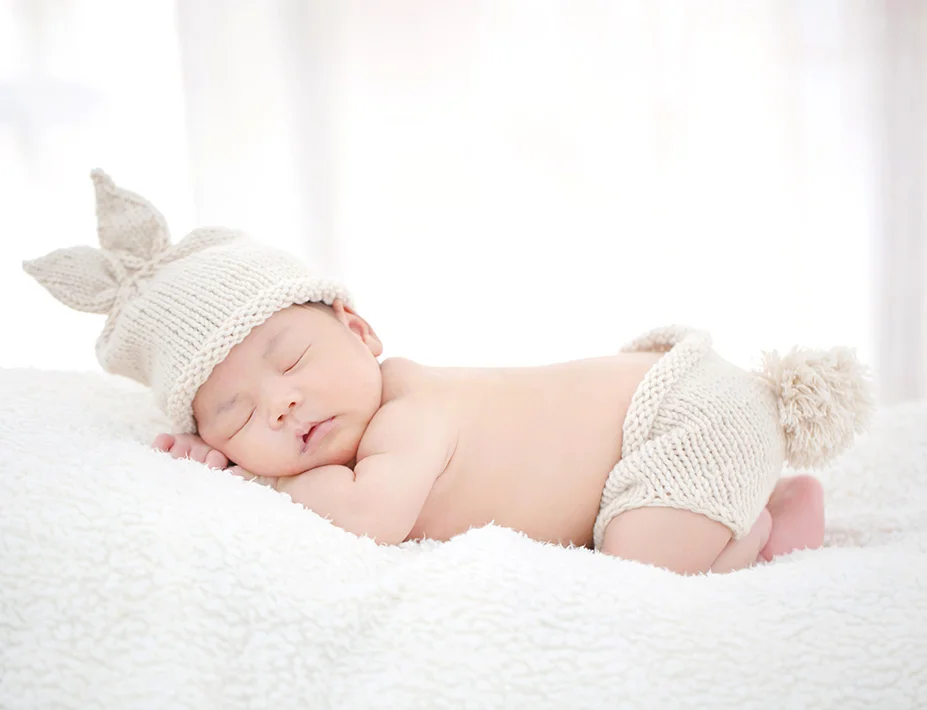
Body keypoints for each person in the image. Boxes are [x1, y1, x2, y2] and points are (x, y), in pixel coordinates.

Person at [24, 170, 874, 575]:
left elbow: (368, 518)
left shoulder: (408, 412)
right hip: (660, 420)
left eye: (291, 359)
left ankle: (762, 530)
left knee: (645, 566)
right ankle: (761, 495)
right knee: (639, 536)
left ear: (358, 330)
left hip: (680, 413)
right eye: (235, 415)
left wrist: (245, 479)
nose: (280, 403)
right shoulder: (361, 425)